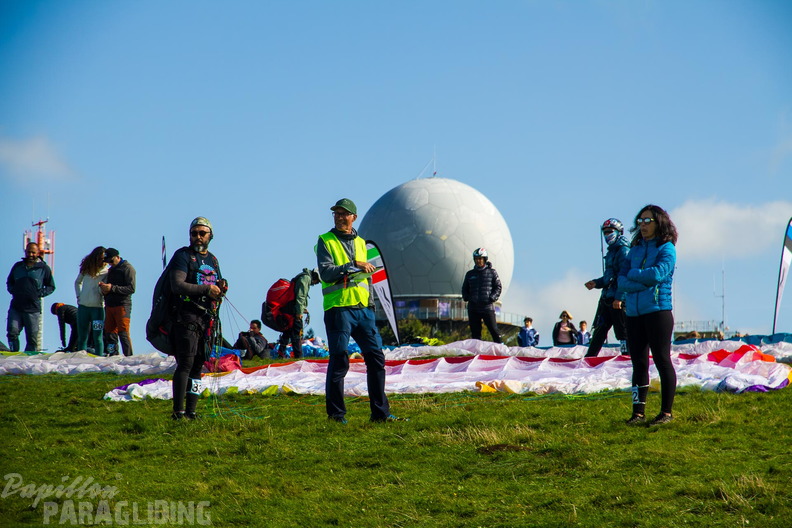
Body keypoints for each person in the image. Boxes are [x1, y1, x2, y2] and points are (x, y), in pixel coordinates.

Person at [316, 198, 401, 423]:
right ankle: (336, 415)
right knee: (339, 360)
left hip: (364, 310)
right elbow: (326, 273)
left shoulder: (363, 243)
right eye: (336, 213)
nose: (340, 217)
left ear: (354, 217)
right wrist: (354, 264)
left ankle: (380, 414)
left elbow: (368, 280)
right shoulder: (325, 240)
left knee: (376, 359)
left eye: (345, 214)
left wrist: (371, 308)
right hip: (339, 308)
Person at [618, 204, 678, 427]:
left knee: (662, 360)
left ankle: (666, 413)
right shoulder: (634, 250)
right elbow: (621, 280)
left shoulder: (667, 248)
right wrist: (635, 282)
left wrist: (634, 276)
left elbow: (657, 275)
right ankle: (638, 414)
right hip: (633, 314)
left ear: (659, 222)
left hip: (658, 312)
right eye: (640, 221)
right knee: (638, 364)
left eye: (647, 221)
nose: (642, 225)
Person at [168, 217, 226, 420]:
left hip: (206, 318)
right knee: (186, 363)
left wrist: (220, 288)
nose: (198, 237)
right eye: (195, 233)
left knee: (198, 364)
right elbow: (177, 285)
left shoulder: (213, 260)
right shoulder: (182, 256)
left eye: (202, 233)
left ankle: (192, 412)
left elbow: (214, 285)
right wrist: (206, 289)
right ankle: (178, 413)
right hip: (186, 316)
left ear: (211, 236)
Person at [584, 218, 630, 357]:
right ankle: (590, 356)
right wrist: (596, 283)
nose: (607, 235)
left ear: (619, 232)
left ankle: (626, 355)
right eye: (605, 232)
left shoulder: (624, 251)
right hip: (607, 297)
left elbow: (625, 276)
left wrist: (619, 298)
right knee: (600, 328)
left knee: (622, 331)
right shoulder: (611, 252)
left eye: (610, 231)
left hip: (617, 299)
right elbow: (608, 277)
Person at [6, 242, 56, 352]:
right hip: (16, 307)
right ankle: (13, 354)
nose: (31, 254)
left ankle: (29, 359)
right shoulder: (17, 266)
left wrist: (38, 294)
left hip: (33, 309)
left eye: (33, 252)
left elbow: (51, 286)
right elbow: (9, 282)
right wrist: (13, 291)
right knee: (12, 332)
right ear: (25, 252)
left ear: (38, 253)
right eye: (29, 252)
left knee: (32, 337)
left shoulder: (44, 268)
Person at [277, 268, 321, 359]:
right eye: (318, 281)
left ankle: (281, 354)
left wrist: (303, 308)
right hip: (294, 310)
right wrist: (299, 312)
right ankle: (298, 356)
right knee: (297, 333)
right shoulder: (306, 278)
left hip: (290, 308)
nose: (316, 283)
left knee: (288, 331)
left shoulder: (303, 277)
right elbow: (300, 296)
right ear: (316, 276)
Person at [461, 248, 502, 343]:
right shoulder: (470, 274)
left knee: (494, 330)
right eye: (476, 259)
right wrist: (466, 297)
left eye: (480, 258)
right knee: (475, 333)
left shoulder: (492, 272)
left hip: (487, 307)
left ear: (485, 259)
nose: (478, 261)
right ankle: (476, 352)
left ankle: (501, 348)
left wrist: (492, 297)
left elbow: (498, 286)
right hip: (473, 307)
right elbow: (464, 288)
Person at [99, 248, 136, 356]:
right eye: (108, 262)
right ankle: (113, 355)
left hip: (122, 305)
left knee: (123, 333)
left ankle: (129, 357)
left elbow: (131, 289)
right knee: (110, 333)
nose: (109, 264)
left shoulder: (128, 268)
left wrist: (112, 288)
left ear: (117, 257)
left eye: (111, 261)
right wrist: (104, 288)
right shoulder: (111, 270)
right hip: (109, 304)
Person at [74, 246, 108, 356]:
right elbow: (77, 282)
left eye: (104, 259)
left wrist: (102, 290)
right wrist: (79, 296)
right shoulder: (86, 269)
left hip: (98, 309)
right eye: (100, 259)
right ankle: (80, 359)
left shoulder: (107, 272)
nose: (102, 262)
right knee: (82, 337)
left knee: (98, 337)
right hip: (83, 308)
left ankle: (99, 359)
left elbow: (106, 289)